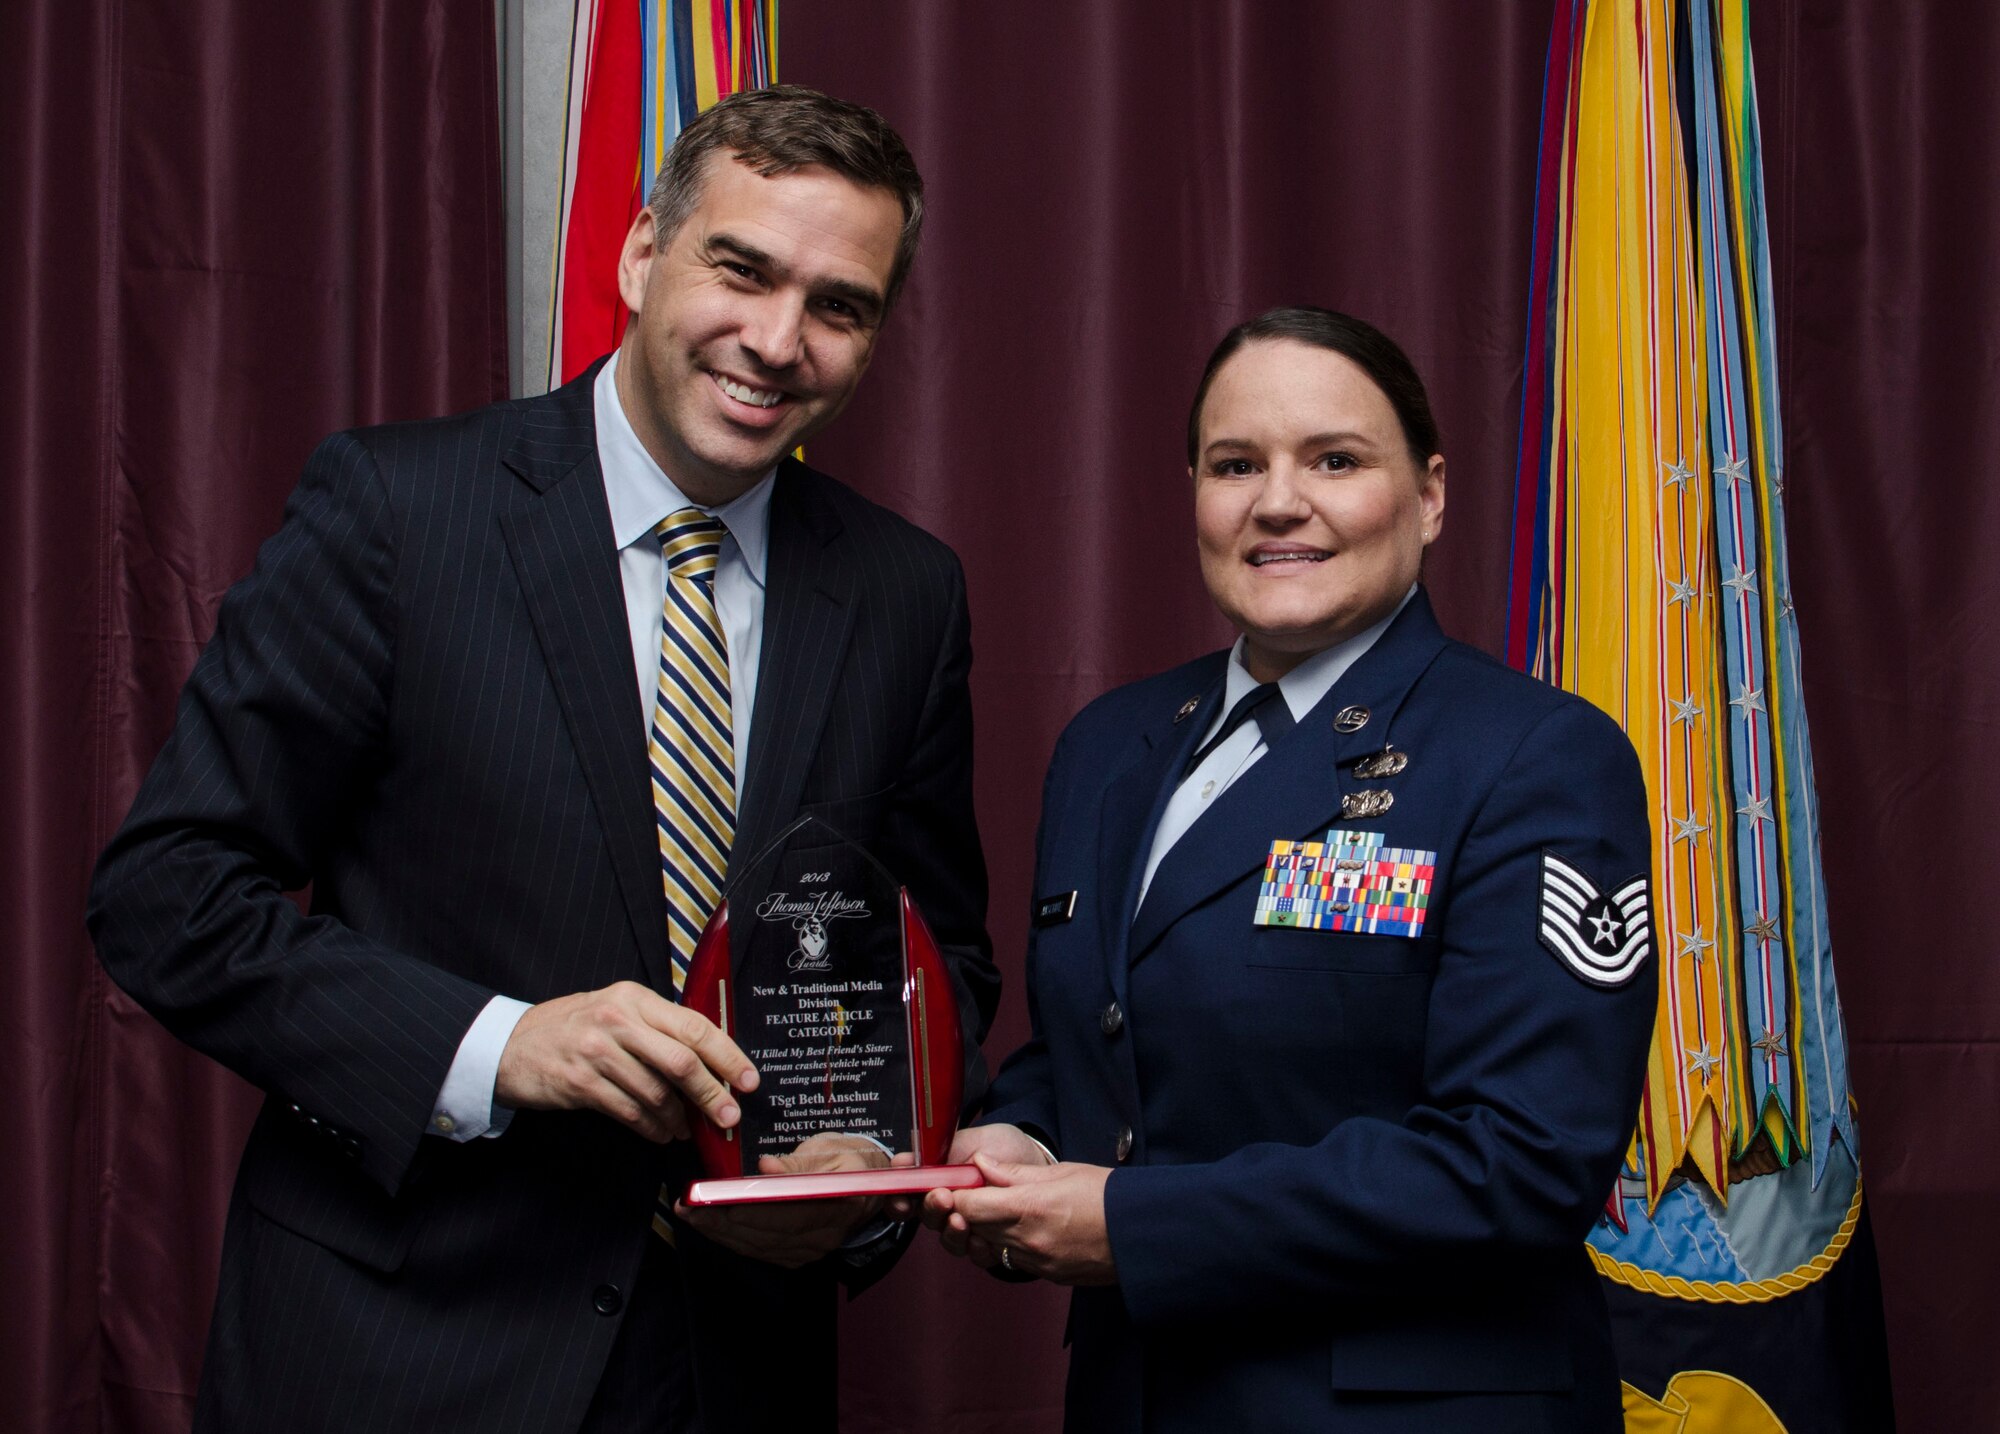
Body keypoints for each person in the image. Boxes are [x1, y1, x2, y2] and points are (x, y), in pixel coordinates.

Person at [87, 85, 997, 1434]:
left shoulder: (906, 593)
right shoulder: (399, 514)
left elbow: (941, 961)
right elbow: (167, 892)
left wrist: (856, 1190)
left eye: (840, 305)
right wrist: (503, 1044)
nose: (778, 339)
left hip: (733, 1366)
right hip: (398, 1351)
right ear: (642, 256)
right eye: (740, 269)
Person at [916, 308, 1656, 1432]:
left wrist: (1132, 1227)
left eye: (1334, 459)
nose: (1275, 501)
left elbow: (1522, 1161)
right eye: (1234, 464)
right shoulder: (1111, 748)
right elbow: (1108, 1046)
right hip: (1140, 1399)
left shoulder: (1532, 755)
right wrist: (1014, 1133)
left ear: (1430, 493)